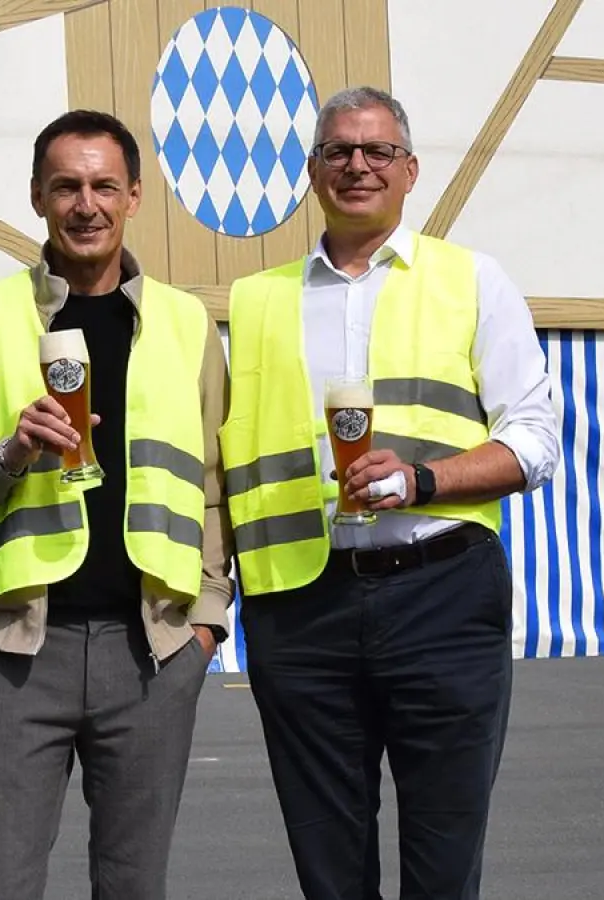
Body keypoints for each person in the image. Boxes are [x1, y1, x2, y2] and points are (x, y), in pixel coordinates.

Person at [221, 85, 561, 899]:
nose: (357, 165)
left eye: (377, 151)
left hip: (441, 595)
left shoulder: (473, 279)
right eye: (338, 150)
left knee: (443, 866)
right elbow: (224, 458)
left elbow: (535, 440)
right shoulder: (256, 300)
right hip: (300, 607)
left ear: (410, 171)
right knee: (329, 871)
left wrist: (422, 480)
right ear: (312, 172)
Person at [0, 109, 233, 900]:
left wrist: (206, 623)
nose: (84, 204)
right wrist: (11, 453)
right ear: (36, 198)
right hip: (22, 654)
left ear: (132, 197)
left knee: (133, 886)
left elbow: (215, 487)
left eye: (101, 186)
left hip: (152, 652)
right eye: (65, 187)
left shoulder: (187, 323)